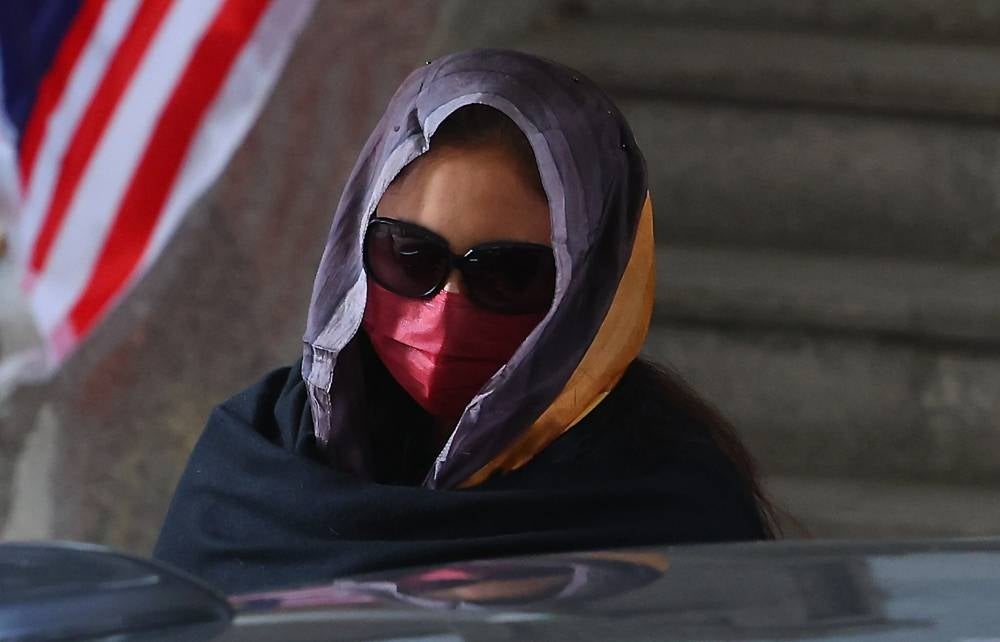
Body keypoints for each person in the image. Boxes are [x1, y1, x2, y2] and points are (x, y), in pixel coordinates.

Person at [154, 49, 777, 594]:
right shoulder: (254, 462)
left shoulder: (669, 505)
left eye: (507, 274)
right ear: (354, 250)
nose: (446, 307)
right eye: (409, 255)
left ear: (592, 292)